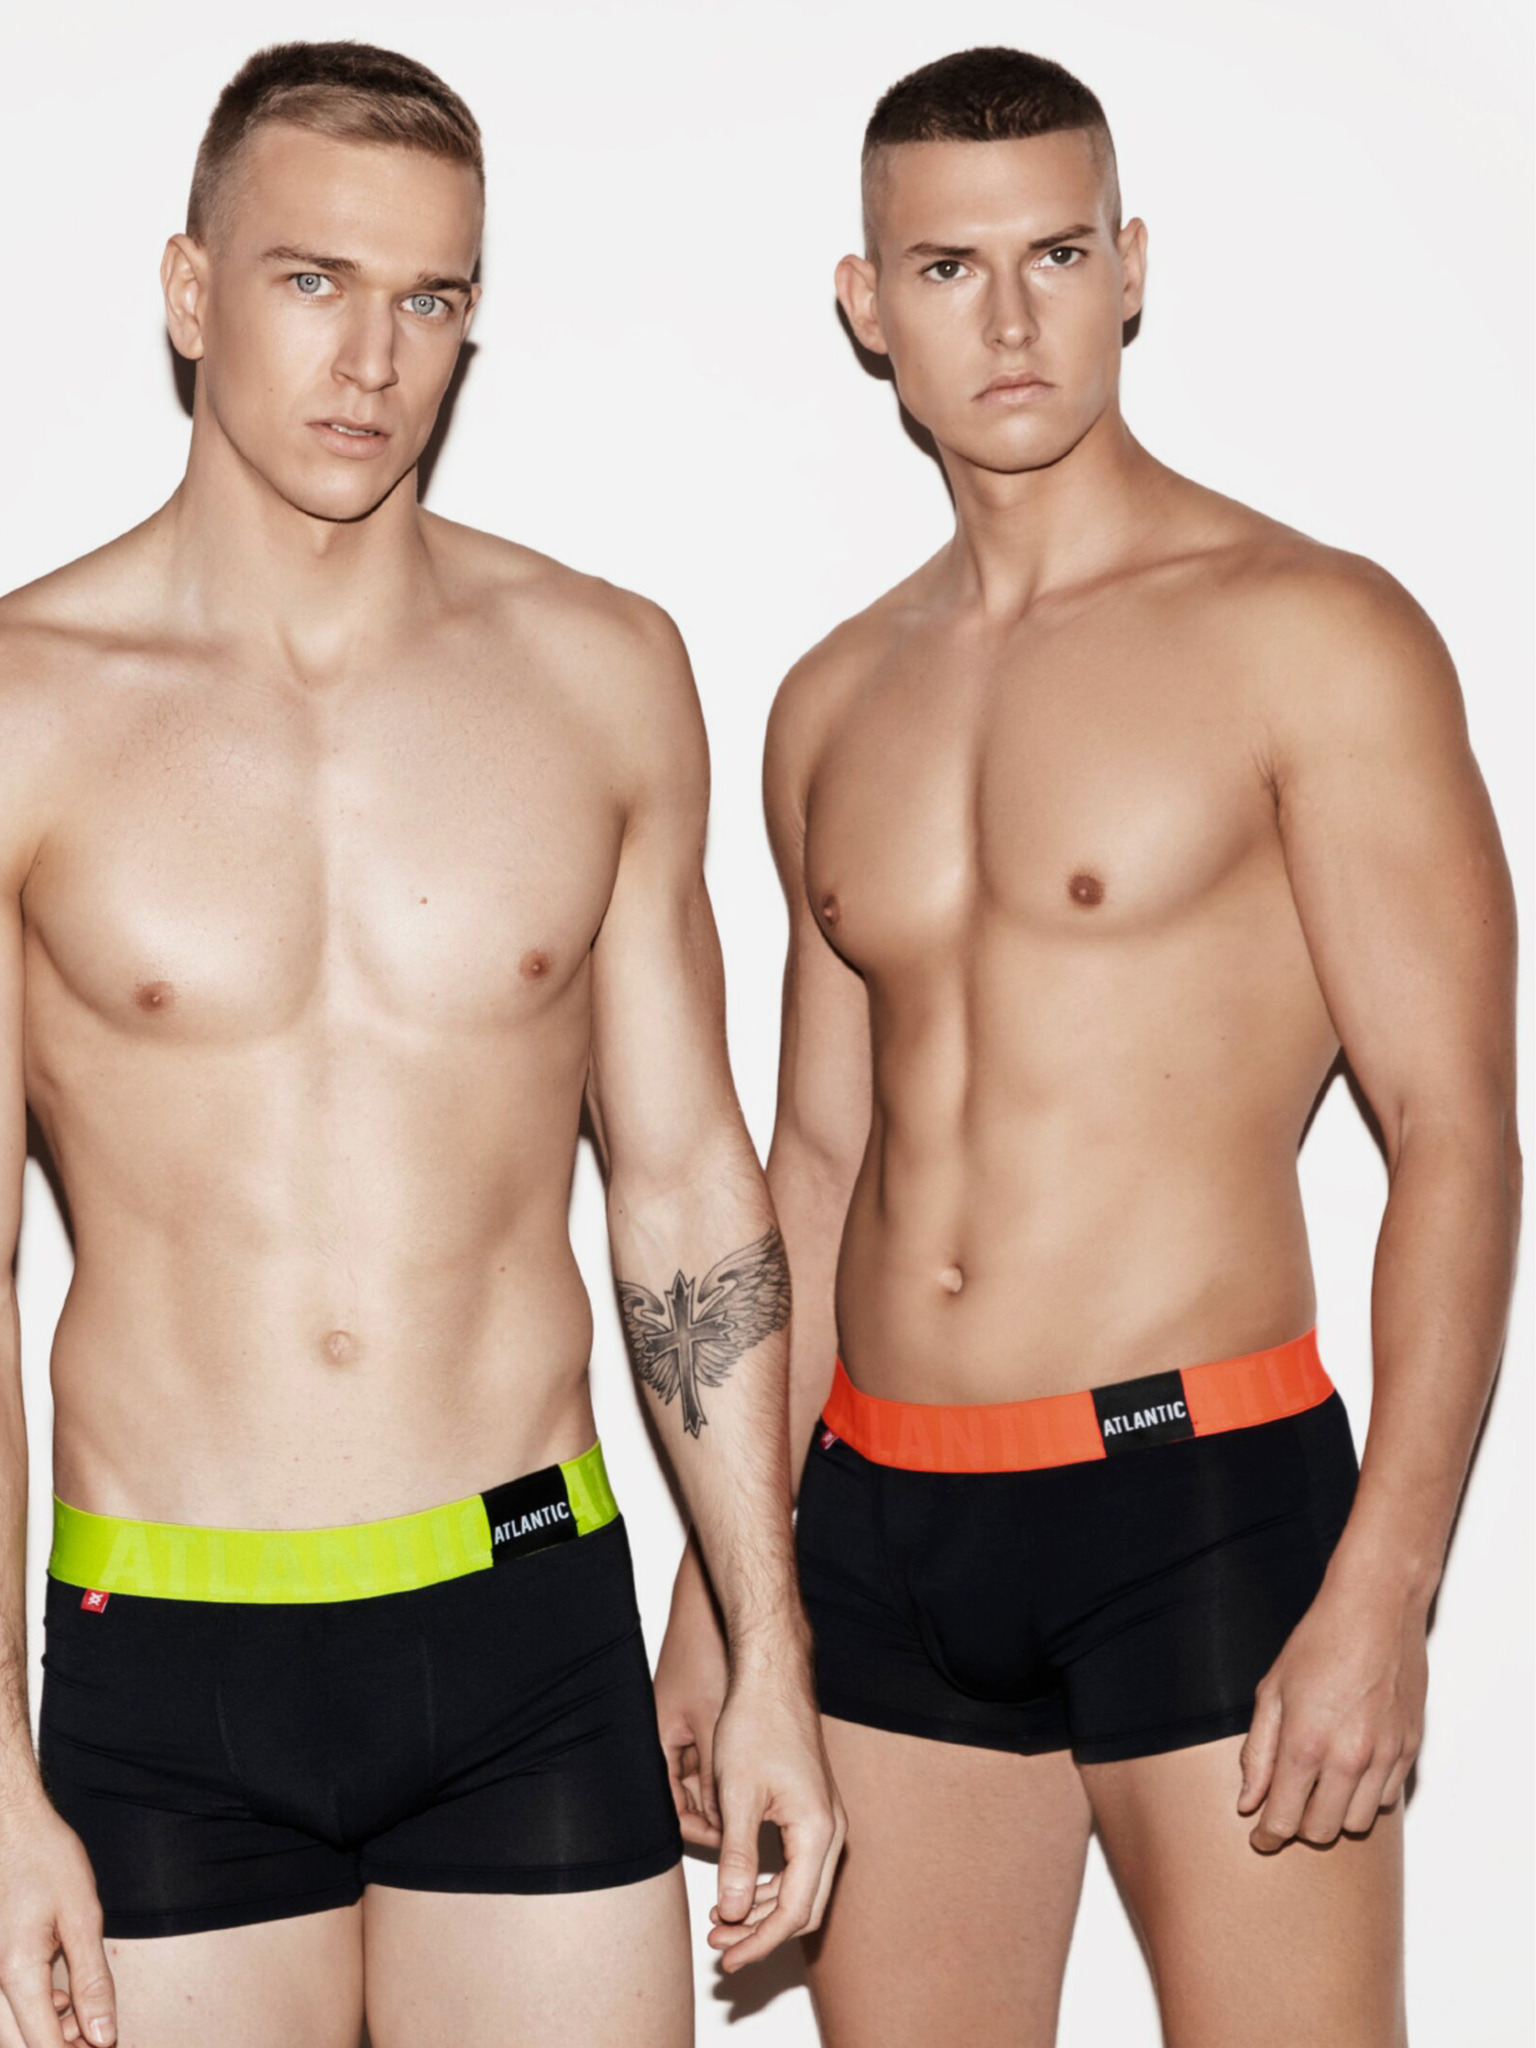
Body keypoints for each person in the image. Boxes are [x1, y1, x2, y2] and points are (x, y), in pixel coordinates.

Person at [654, 45, 1518, 2047]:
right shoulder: (828, 706)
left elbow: (1454, 1128)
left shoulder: (1311, 632)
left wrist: (1386, 1582)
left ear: (1133, 267)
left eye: (1055, 254)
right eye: (947, 268)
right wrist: (728, 1587)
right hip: (881, 1516)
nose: (1011, 320)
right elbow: (818, 1166)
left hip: (1191, 1499)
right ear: (867, 305)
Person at [0, 39, 841, 2048]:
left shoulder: (601, 672)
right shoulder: (27, 710)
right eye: (312, 281)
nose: (373, 359)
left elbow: (686, 1190)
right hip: (165, 1638)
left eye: (431, 298)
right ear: (190, 290)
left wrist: (770, 1647)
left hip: (524, 1622)